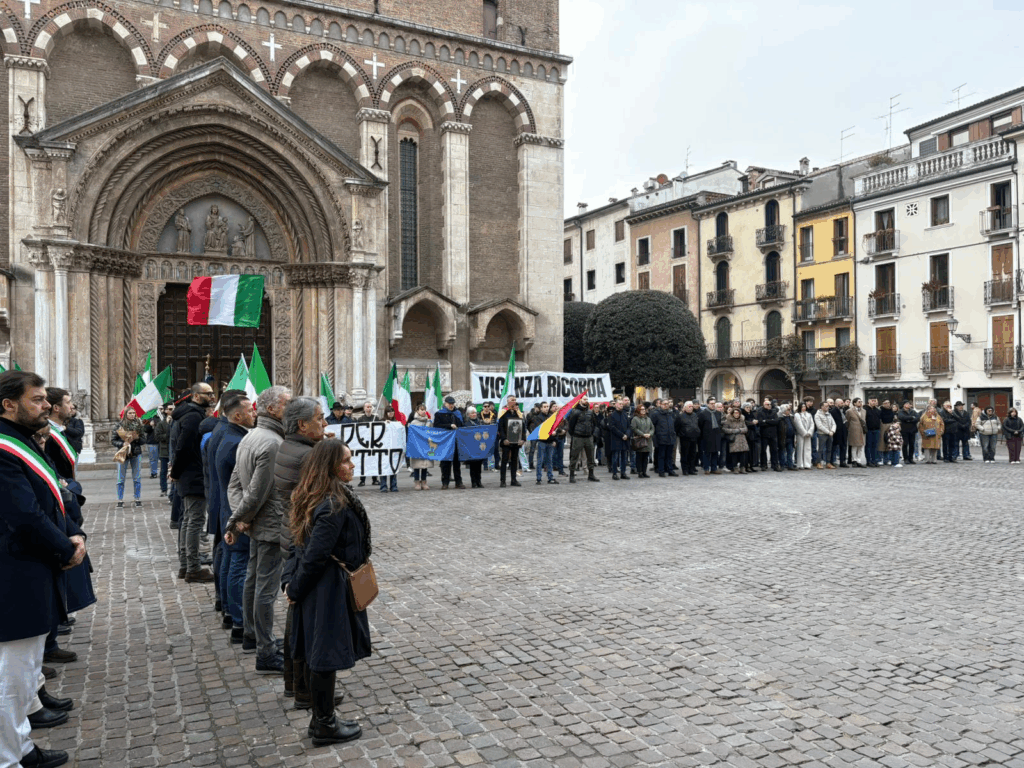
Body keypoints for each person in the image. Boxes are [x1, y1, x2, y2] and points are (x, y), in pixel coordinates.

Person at [0, 370, 86, 768]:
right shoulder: (4, 449)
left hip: (33, 567)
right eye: (37, 400)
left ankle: (21, 746)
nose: (47, 406)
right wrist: (64, 547)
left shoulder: (20, 441)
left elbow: (52, 493)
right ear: (9, 404)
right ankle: (8, 758)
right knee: (11, 678)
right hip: (14, 572)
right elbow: (25, 514)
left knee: (26, 667)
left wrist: (72, 534)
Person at [286, 440, 368, 747]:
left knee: (321, 654)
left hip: (324, 585)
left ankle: (323, 718)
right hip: (327, 587)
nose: (352, 464)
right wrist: (295, 588)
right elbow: (313, 554)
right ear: (332, 467)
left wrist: (294, 585)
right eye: (347, 460)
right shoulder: (332, 503)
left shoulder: (324, 495)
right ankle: (323, 723)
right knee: (323, 655)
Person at [226, 386, 292, 673]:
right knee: (266, 589)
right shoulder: (272, 442)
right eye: (288, 404)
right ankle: (266, 651)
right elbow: (255, 492)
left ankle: (252, 635)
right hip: (270, 524)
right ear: (274, 409)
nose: (292, 408)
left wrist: (242, 517)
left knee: (253, 581)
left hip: (256, 522)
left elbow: (235, 487)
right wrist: (238, 521)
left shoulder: (251, 435)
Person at [272, 396, 328, 710]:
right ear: (302, 425)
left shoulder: (290, 447)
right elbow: (324, 502)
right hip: (304, 541)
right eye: (319, 419)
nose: (324, 423)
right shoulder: (309, 457)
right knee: (311, 622)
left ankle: (296, 683)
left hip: (292, 536)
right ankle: (308, 689)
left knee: (299, 616)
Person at [214, 394, 254, 646]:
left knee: (231, 561)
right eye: (250, 410)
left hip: (227, 511)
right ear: (237, 415)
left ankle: (231, 612)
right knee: (238, 564)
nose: (255, 414)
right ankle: (239, 620)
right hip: (235, 512)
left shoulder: (229, 435)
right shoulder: (234, 441)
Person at [171, 382, 218, 581]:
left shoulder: (191, 414)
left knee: (189, 520)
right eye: (209, 394)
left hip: (188, 474)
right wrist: (176, 471)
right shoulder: (192, 417)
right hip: (193, 476)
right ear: (196, 396)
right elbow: (183, 447)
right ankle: (192, 567)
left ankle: (185, 565)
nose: (213, 396)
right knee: (194, 522)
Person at [112, 407, 145, 509]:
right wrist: (122, 443)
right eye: (130, 413)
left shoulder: (139, 425)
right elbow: (113, 440)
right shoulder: (119, 425)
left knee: (137, 478)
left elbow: (144, 440)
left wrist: (137, 438)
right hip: (124, 454)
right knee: (120, 479)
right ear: (125, 414)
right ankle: (120, 499)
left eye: (134, 413)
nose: (132, 415)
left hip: (135, 453)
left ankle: (137, 498)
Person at [566, 395, 599, 483]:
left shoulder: (590, 412)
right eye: (584, 399)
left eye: (587, 399)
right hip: (578, 437)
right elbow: (571, 426)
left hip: (588, 437)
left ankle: (591, 475)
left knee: (591, 457)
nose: (586, 401)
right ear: (580, 400)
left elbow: (594, 424)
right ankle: (572, 475)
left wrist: (592, 433)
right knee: (574, 457)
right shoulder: (575, 412)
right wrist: (574, 435)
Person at [433, 396, 465, 489]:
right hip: (445, 441)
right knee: (445, 463)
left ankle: (458, 482)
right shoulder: (439, 414)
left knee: (456, 463)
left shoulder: (458, 413)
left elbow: (462, 425)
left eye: (452, 404)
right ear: (445, 404)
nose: (451, 405)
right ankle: (445, 482)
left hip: (456, 440)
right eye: (449, 404)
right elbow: (436, 425)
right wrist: (449, 425)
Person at [498, 395, 526, 487]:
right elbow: (500, 427)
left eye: (514, 400)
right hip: (506, 441)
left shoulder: (519, 413)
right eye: (511, 400)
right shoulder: (503, 413)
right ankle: (503, 481)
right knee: (504, 460)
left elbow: (523, 427)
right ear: (507, 402)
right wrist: (504, 438)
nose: (513, 402)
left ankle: (514, 480)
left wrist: (523, 439)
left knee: (514, 460)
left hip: (516, 442)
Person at [409, 404, 435, 490]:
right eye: (421, 410)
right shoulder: (414, 422)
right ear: (417, 411)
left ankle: (424, 481)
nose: (423, 411)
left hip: (426, 445)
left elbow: (432, 433)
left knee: (425, 465)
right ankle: (417, 481)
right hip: (417, 446)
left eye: (424, 410)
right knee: (417, 465)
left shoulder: (428, 422)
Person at [649, 399, 677, 477]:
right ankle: (661, 470)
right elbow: (652, 426)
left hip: (670, 437)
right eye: (664, 404)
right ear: (660, 405)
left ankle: (670, 470)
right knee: (661, 455)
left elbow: (674, 425)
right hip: (661, 438)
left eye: (667, 404)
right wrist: (655, 437)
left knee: (669, 455)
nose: (666, 405)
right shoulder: (656, 414)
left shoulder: (670, 413)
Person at [462, 406, 487, 489]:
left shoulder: (480, 422)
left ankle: (479, 481)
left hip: (479, 446)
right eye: (472, 413)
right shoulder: (466, 423)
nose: (474, 414)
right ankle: (473, 482)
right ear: (468, 414)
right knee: (473, 466)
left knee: (479, 466)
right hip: (471, 447)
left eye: (475, 413)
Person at [532, 402, 557, 485]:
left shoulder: (551, 417)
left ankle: (550, 477)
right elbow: (541, 429)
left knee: (549, 460)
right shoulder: (538, 417)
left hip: (550, 441)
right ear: (541, 408)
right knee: (540, 460)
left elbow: (554, 427)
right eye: (544, 407)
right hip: (542, 441)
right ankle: (538, 478)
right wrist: (550, 432)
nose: (546, 408)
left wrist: (554, 439)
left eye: (547, 407)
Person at [377, 407, 400, 493]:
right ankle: (383, 486)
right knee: (383, 467)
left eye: (392, 411)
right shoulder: (381, 421)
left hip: (393, 448)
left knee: (393, 467)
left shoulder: (396, 422)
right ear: (385, 413)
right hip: (384, 448)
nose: (391, 413)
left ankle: (393, 485)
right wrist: (383, 424)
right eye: (389, 412)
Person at [354, 402, 377, 487]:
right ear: (364, 408)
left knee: (374, 461)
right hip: (364, 443)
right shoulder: (360, 419)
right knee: (363, 462)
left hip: (374, 443)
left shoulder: (376, 418)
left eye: (370, 407)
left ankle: (375, 479)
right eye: (367, 407)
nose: (369, 408)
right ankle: (362, 480)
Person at [697, 400, 722, 475]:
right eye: (711, 404)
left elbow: (720, 423)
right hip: (706, 436)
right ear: (707, 404)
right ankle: (706, 468)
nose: (713, 405)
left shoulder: (718, 413)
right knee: (707, 453)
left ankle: (714, 468)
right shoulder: (703, 414)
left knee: (715, 453)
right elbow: (700, 425)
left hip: (716, 435)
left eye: (714, 403)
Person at [630, 404, 654, 478]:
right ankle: (639, 472)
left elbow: (652, 428)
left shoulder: (648, 419)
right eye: (642, 409)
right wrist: (643, 434)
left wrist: (650, 434)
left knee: (646, 457)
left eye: (644, 409)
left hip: (648, 440)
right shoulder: (635, 419)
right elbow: (634, 428)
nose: (643, 411)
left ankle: (644, 471)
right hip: (640, 440)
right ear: (638, 410)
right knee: (639, 457)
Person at [722, 406, 749, 474]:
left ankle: (742, 468)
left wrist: (739, 430)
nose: (737, 414)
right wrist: (734, 431)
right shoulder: (728, 420)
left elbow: (745, 429)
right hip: (733, 439)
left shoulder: (742, 420)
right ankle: (735, 467)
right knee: (734, 455)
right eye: (735, 413)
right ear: (732, 414)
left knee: (743, 454)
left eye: (738, 413)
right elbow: (725, 429)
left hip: (742, 439)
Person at [676, 401, 700, 475]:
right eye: (689, 406)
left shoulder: (695, 415)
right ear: (685, 407)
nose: (691, 408)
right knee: (685, 454)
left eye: (692, 406)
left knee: (693, 454)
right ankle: (685, 469)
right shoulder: (680, 416)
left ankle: (691, 469)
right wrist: (681, 434)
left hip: (694, 437)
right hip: (685, 438)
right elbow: (677, 427)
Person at [154, 404, 171, 496]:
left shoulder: (176, 421)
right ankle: (164, 489)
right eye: (169, 409)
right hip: (164, 451)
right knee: (164, 471)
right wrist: (168, 435)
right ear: (165, 411)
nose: (171, 411)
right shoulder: (161, 423)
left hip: (174, 450)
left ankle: (173, 490)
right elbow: (157, 436)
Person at [814, 402, 836, 469]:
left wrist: (832, 431)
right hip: (822, 434)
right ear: (822, 407)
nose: (827, 407)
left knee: (829, 449)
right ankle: (818, 463)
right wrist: (828, 432)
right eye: (826, 406)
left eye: (828, 406)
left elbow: (834, 423)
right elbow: (819, 426)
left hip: (830, 434)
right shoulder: (817, 415)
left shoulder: (829, 414)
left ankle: (828, 463)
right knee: (820, 449)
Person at [845, 398, 867, 467]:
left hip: (862, 431)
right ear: (854, 403)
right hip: (853, 430)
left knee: (860, 446)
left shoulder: (864, 411)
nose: (860, 403)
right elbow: (847, 421)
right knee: (854, 446)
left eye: (861, 402)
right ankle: (854, 460)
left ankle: (859, 460)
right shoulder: (849, 411)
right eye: (859, 402)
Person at [793, 402, 814, 469]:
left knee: (807, 448)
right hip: (800, 434)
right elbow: (798, 425)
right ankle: (800, 464)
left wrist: (810, 432)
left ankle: (807, 464)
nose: (804, 408)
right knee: (800, 448)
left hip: (808, 434)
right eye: (802, 407)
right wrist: (804, 432)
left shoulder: (809, 415)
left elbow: (812, 424)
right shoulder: (797, 415)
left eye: (804, 406)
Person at [828, 399, 847, 468]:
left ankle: (843, 461)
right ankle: (831, 461)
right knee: (834, 447)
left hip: (843, 430)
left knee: (843, 446)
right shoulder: (833, 411)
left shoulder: (844, 410)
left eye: (842, 403)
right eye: (841, 403)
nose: (843, 404)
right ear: (836, 404)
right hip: (836, 431)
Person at [864, 397, 881, 467]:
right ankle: (869, 460)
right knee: (868, 446)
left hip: (876, 429)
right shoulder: (865, 409)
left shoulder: (877, 410)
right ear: (869, 401)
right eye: (872, 401)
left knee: (875, 446)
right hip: (869, 430)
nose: (873, 402)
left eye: (875, 401)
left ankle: (875, 460)